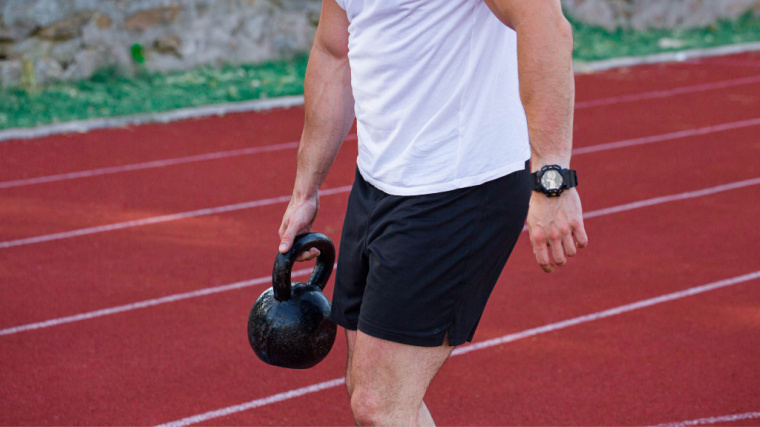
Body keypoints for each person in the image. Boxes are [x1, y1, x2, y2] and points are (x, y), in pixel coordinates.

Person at [277, 0, 588, 424]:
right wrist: (305, 191)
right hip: (377, 181)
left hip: (460, 186)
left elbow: (546, 24)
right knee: (369, 390)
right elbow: (334, 52)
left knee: (379, 403)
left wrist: (552, 177)